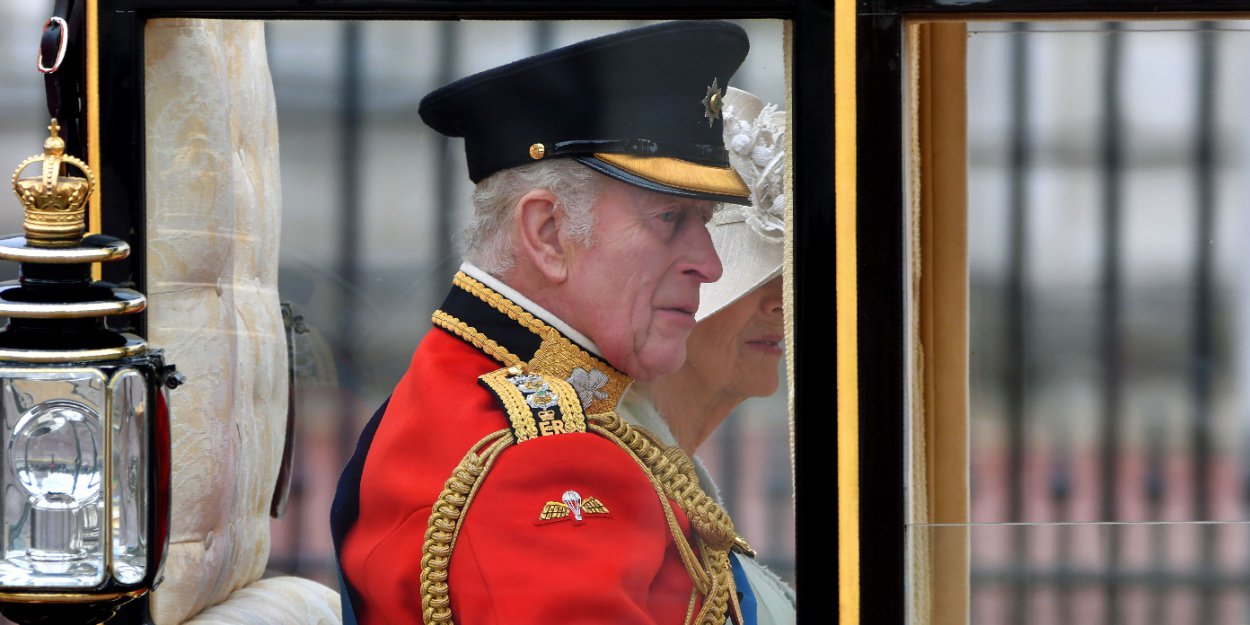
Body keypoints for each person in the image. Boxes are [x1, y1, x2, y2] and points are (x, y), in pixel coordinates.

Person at [330, 21, 764, 625]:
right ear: (548, 233)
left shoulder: (483, 391)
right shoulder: (539, 463)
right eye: (670, 218)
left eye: (705, 221)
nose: (710, 266)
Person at [626, 87, 796, 625]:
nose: (782, 302)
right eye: (758, 279)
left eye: (786, 277)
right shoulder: (618, 483)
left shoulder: (673, 478)